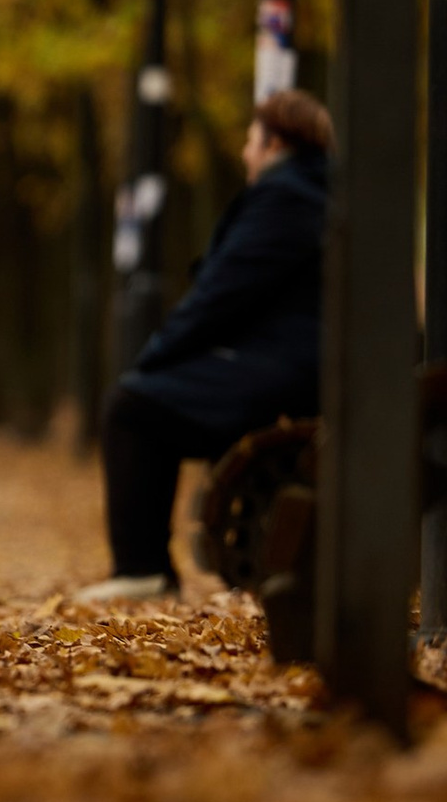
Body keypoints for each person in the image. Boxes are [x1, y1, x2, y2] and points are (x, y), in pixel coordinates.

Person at [80, 87, 332, 603]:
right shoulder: (315, 193)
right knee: (164, 399)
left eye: (250, 140)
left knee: (131, 406)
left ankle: (143, 568)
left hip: (290, 371)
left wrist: (156, 356)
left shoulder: (285, 198)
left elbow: (221, 295)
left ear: (275, 143)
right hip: (305, 364)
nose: (244, 154)